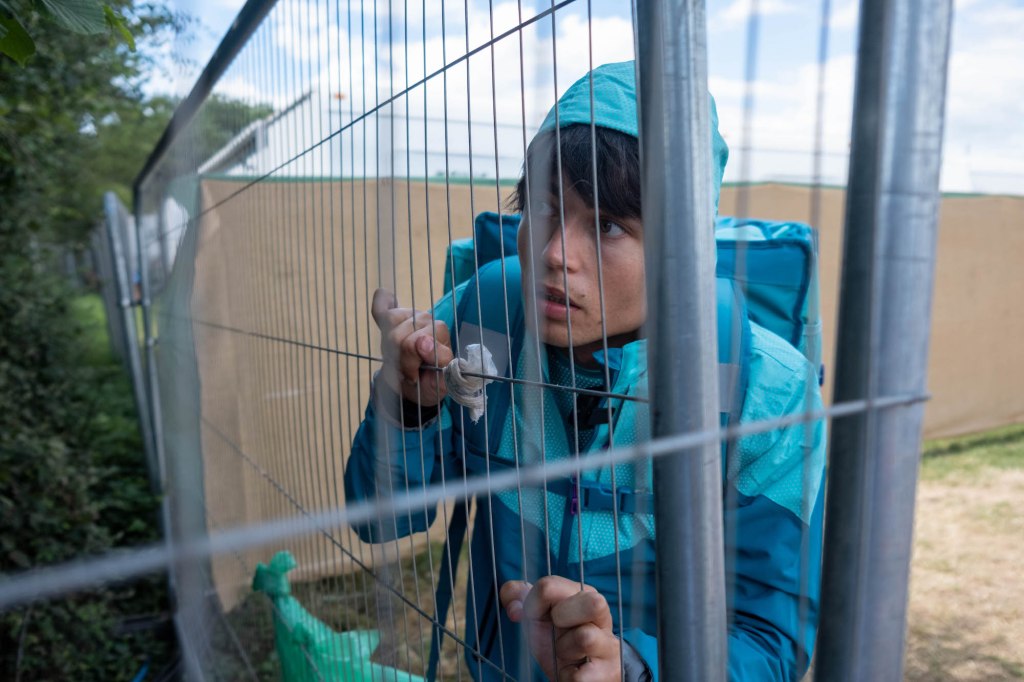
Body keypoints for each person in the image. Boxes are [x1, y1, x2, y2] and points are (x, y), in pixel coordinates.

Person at [344, 61, 825, 682]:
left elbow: (773, 639)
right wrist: (406, 407)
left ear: (682, 249)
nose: (552, 254)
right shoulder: (479, 317)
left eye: (606, 225)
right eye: (543, 212)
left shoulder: (771, 391)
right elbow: (378, 521)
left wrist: (632, 666)